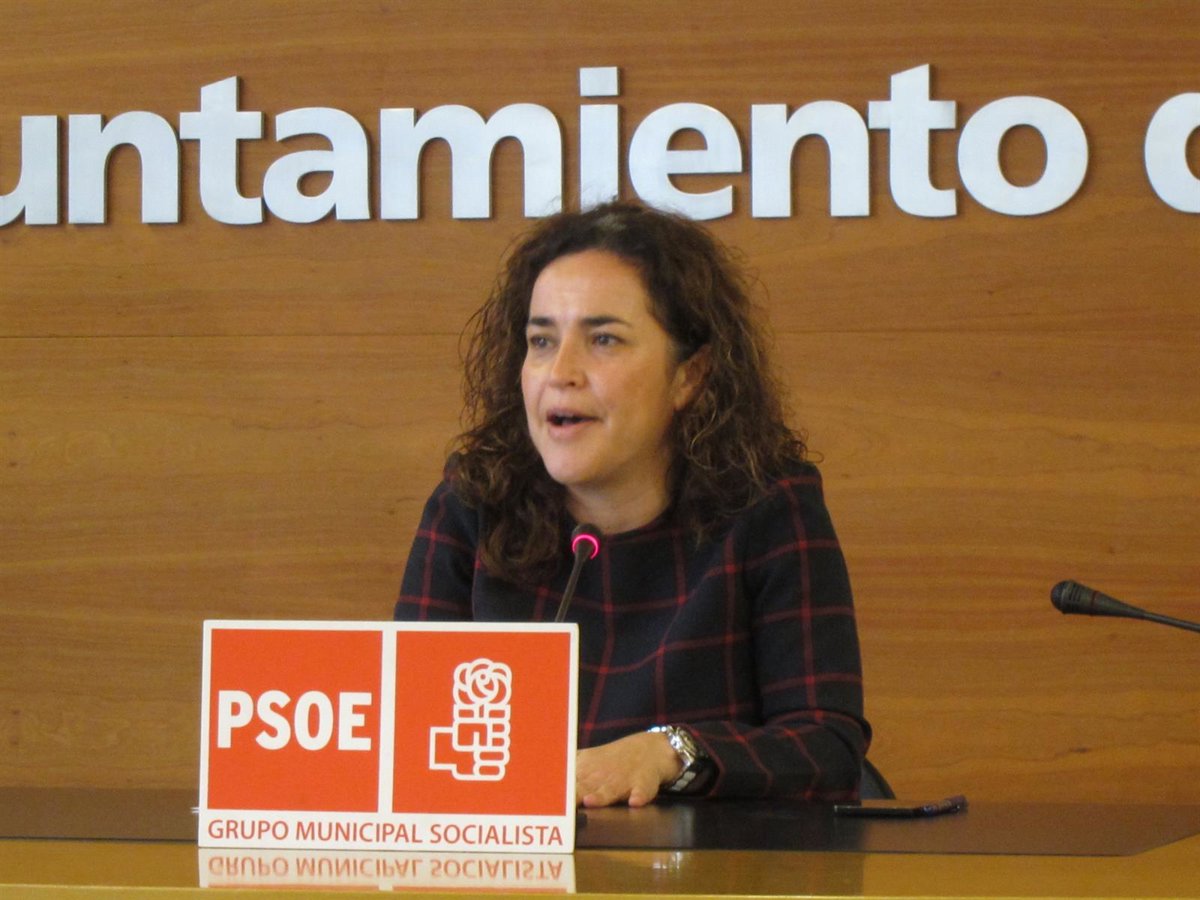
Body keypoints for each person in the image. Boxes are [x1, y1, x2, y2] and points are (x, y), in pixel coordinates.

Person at [395, 201, 870, 808]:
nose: (560, 372)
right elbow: (404, 741)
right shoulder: (474, 504)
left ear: (689, 376)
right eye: (541, 341)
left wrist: (672, 753)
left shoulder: (766, 508)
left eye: (603, 340)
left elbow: (826, 746)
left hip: (709, 861)